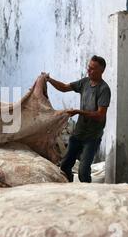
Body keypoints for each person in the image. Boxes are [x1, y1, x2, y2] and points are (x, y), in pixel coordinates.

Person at [43, 55, 111, 183]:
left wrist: (78, 111)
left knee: (83, 172)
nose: (89, 71)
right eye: (88, 68)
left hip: (92, 137)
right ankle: (70, 190)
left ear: (101, 71)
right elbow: (64, 87)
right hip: (78, 133)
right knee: (65, 166)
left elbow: (100, 115)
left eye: (92, 69)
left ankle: (88, 198)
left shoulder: (104, 89)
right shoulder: (84, 82)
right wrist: (49, 80)